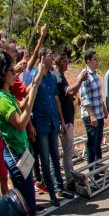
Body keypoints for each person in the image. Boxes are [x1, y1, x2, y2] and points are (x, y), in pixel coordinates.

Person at [0, 51, 63, 216]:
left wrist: (34, 84)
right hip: (17, 158)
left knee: (30, 205)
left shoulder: (8, 94)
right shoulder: (1, 99)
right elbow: (19, 121)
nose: (14, 73)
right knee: (29, 206)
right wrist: (29, 108)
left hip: (21, 154)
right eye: (11, 70)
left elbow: (25, 100)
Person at [30, 49, 72, 206]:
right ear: (42, 58)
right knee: (45, 160)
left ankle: (60, 187)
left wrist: (61, 121)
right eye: (49, 55)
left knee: (56, 157)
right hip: (41, 124)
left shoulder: (53, 78)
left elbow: (56, 100)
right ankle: (52, 193)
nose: (52, 58)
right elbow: (30, 99)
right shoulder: (35, 76)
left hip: (53, 122)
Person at [79, 49, 109, 168]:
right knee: (92, 143)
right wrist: (92, 115)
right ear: (88, 61)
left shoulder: (95, 74)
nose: (97, 62)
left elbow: (98, 95)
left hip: (99, 113)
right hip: (90, 115)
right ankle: (91, 169)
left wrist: (104, 109)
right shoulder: (84, 75)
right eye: (95, 59)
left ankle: (98, 166)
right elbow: (84, 97)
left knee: (98, 142)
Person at [55, 54, 80, 192]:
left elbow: (68, 93)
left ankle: (70, 175)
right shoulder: (58, 78)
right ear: (58, 63)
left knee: (69, 150)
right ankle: (69, 180)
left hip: (68, 119)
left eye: (67, 61)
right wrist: (80, 80)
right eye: (63, 61)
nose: (67, 63)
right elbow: (67, 92)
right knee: (68, 151)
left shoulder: (62, 77)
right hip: (64, 121)